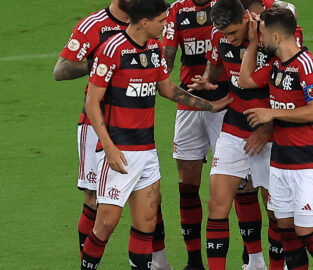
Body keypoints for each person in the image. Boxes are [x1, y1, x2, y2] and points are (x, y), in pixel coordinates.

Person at [79, 0, 231, 269]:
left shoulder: (154, 48)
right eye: (162, 21)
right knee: (105, 224)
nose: (166, 25)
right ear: (145, 22)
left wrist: (210, 105)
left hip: (147, 153)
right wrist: (108, 147)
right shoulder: (112, 50)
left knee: (146, 225)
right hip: (120, 152)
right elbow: (92, 102)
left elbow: (167, 89)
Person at [53, 1, 173, 268]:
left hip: (137, 130)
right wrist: (103, 61)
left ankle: (157, 260)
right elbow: (60, 71)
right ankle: (85, 261)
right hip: (97, 125)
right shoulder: (94, 26)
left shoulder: (149, 30)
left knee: (150, 204)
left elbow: (163, 80)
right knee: (96, 201)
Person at [187, 0, 300, 268]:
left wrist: (268, 128)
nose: (229, 39)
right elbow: (216, 68)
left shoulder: (272, 37)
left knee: (276, 211)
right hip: (235, 126)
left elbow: (289, 88)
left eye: (233, 33)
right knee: (217, 204)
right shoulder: (219, 37)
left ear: (247, 18)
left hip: (273, 133)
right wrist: (208, 82)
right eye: (224, 35)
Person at [238, 8, 313, 270]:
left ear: (277, 36)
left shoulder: (307, 65)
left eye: (262, 36)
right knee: (286, 232)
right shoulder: (275, 66)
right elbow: (245, 80)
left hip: (308, 161)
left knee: (306, 233)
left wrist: (270, 113)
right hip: (280, 162)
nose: (261, 41)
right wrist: (250, 43)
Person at [162, 0, 230, 269]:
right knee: (187, 185)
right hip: (188, 105)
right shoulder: (177, 11)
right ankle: (194, 262)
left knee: (238, 183)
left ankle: (253, 258)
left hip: (224, 102)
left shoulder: (224, 5)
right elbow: (166, 60)